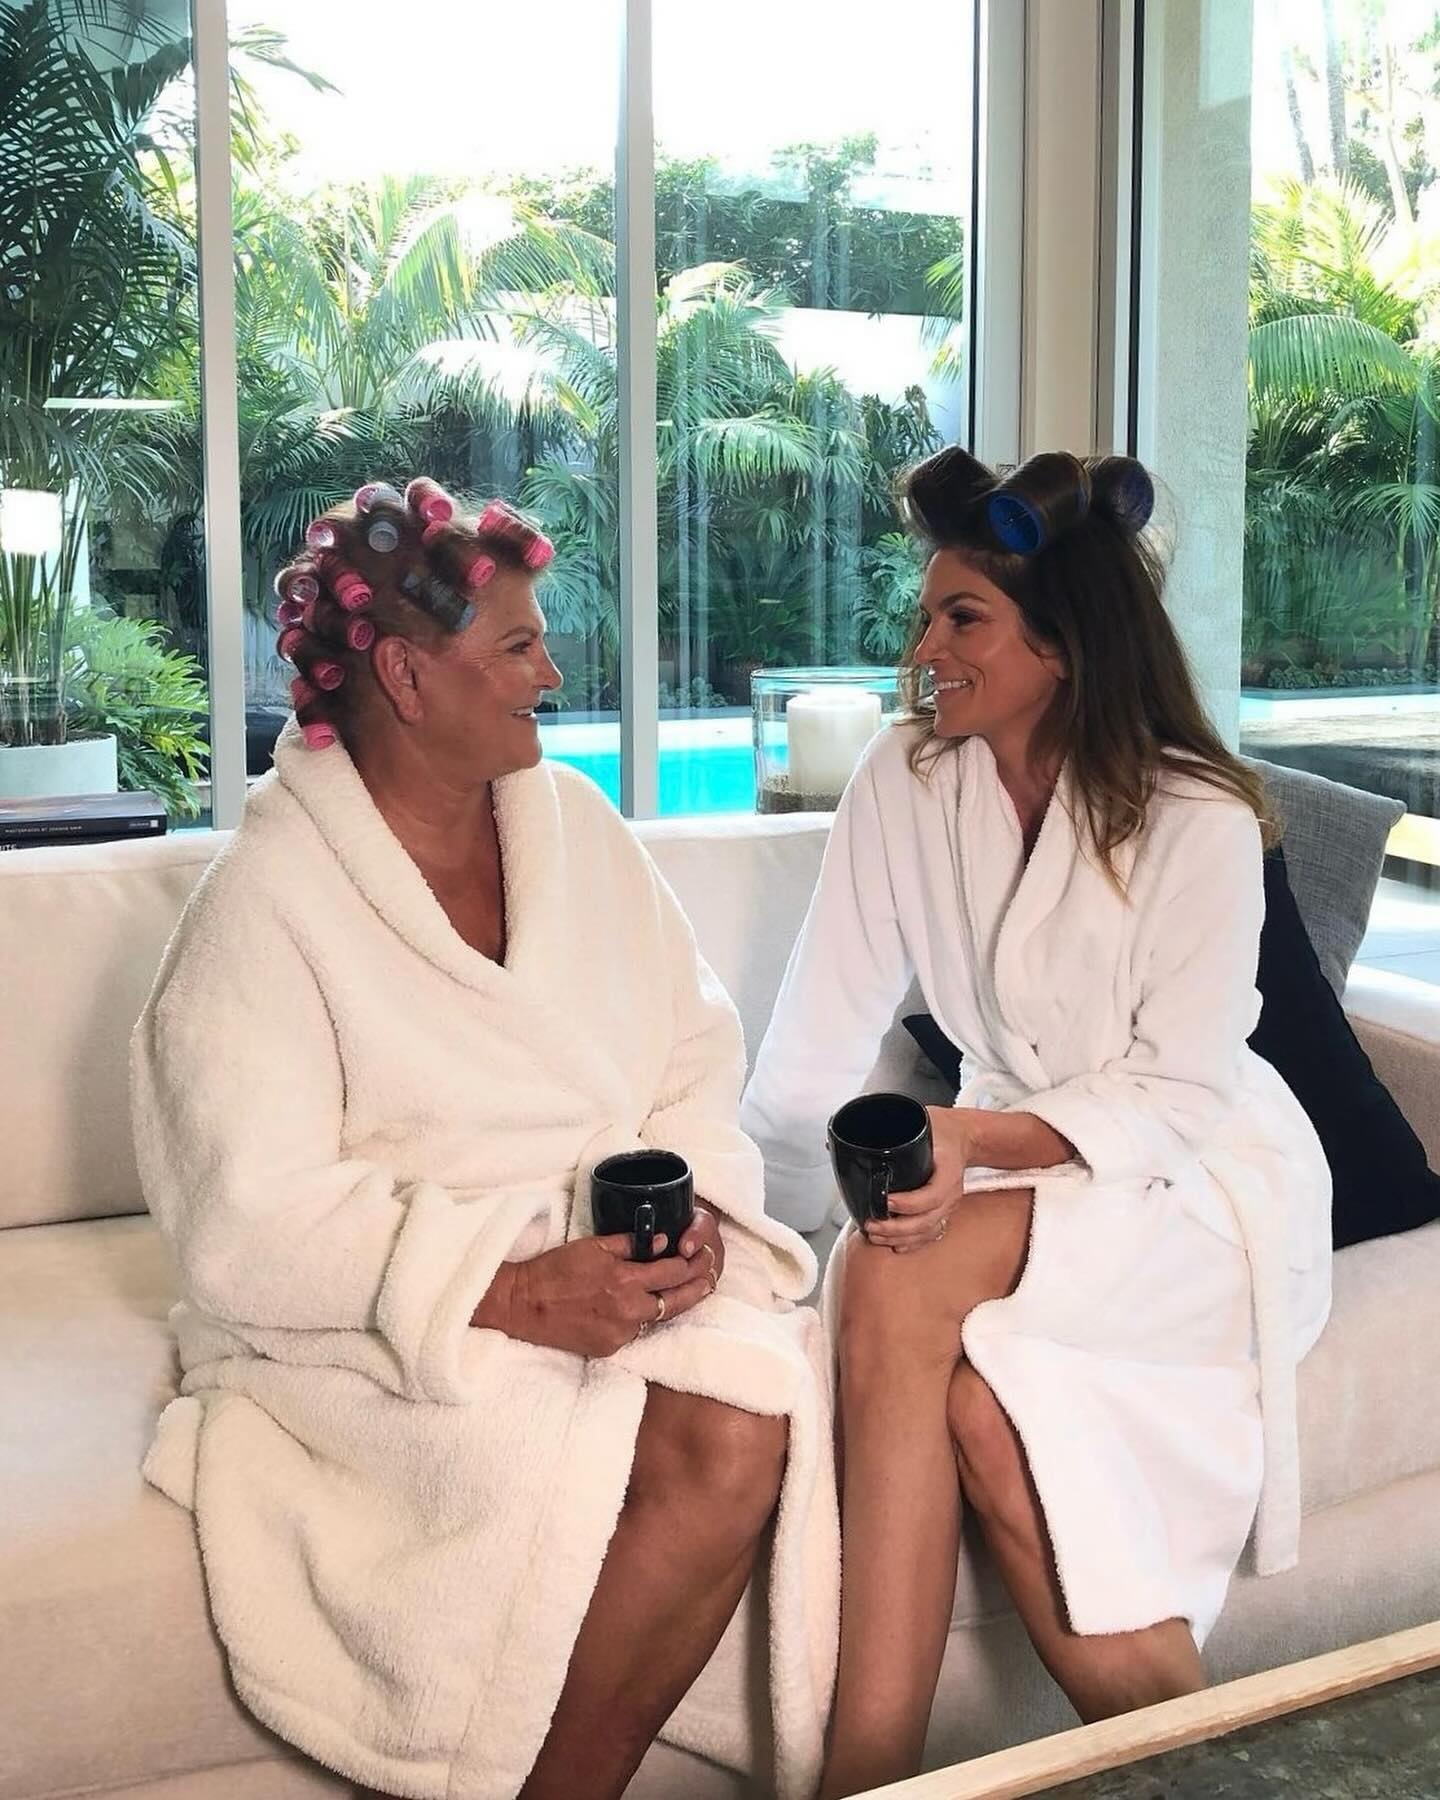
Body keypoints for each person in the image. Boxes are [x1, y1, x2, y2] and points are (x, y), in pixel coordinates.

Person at [133, 480, 838, 1800]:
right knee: (715, 1432)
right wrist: (509, 1291)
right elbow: (248, 1219)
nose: (551, 678)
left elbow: (692, 1051)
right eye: (518, 647)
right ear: (407, 675)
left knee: (754, 1401)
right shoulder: (266, 903)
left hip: (606, 1270)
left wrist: (694, 1213)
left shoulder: (578, 830)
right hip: (397, 1321)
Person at [740, 448, 1333, 1799]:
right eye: (926, 615)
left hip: (1198, 1192)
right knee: (983, 1410)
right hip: (1027, 1183)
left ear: (1061, 644)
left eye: (964, 618)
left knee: (892, 1271)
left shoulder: (1194, 813)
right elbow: (817, 1036)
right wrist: (753, 1238)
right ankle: (1197, 1768)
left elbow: (1181, 1092)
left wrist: (970, 1144)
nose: (924, 649)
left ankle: (862, 1776)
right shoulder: (906, 780)